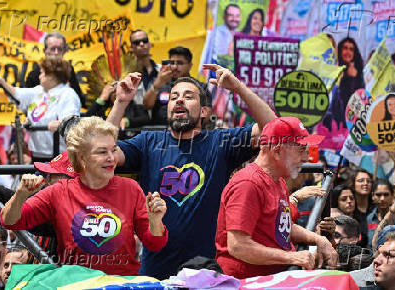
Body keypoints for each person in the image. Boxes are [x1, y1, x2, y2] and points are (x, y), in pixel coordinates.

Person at [106, 64, 276, 279]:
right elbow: (104, 152)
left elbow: (274, 128)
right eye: (174, 96)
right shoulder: (148, 141)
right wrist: (120, 102)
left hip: (206, 270)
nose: (179, 100)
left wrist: (238, 88)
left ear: (204, 111)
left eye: (188, 97)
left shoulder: (221, 142)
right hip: (154, 270)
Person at [0, 117, 168, 276]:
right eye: (102, 152)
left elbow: (155, 244)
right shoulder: (59, 191)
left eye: (114, 150)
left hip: (120, 284)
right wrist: (20, 196)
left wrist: (155, 221)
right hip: (77, 283)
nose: (111, 158)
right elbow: (9, 220)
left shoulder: (130, 188)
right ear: (82, 157)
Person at [215, 116, 337, 279]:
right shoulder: (248, 183)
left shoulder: (278, 180)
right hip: (245, 283)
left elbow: (283, 225)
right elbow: (238, 246)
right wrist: (292, 257)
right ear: (277, 151)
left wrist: (318, 239)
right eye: (301, 150)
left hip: (272, 280)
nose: (306, 158)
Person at [0, 57, 81, 163]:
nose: (40, 76)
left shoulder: (68, 93)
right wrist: (3, 83)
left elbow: (71, 121)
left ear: (52, 76)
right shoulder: (39, 90)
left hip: (59, 155)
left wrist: (60, 123)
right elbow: (18, 95)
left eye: (43, 73)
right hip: (37, 153)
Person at [142, 46, 211, 126]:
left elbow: (206, 115)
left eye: (180, 63)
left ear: (190, 65)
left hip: (189, 133)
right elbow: (146, 106)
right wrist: (157, 85)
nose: (174, 67)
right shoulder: (160, 83)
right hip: (161, 132)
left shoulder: (200, 87)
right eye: (172, 63)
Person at [25, 32, 85, 108]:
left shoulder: (69, 70)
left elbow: (79, 99)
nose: (56, 53)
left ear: (64, 51)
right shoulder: (34, 75)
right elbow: (27, 104)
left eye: (60, 49)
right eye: (53, 49)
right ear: (45, 51)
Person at [130, 29, 160, 106]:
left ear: (150, 43)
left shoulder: (162, 70)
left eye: (145, 40)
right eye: (136, 43)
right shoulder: (128, 75)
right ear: (131, 47)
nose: (142, 44)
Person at [367, 179, 395, 248]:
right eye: (378, 195)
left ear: (392, 195)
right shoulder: (369, 218)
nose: (382, 198)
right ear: (373, 196)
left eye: (386, 194)